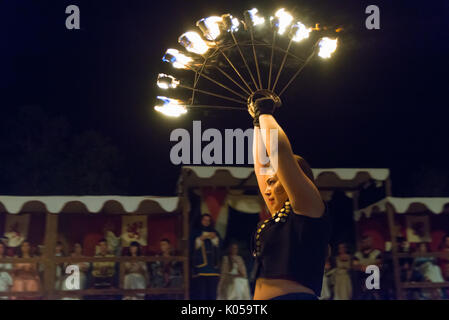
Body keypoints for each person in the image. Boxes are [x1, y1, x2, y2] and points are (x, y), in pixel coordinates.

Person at [248, 92, 331, 300]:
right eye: (269, 182)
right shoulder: (277, 218)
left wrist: (265, 114)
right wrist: (257, 123)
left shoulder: (308, 208)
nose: (267, 189)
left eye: (275, 181)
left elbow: (280, 154)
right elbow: (260, 167)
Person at [191, 214, 221, 300]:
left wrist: (215, 238)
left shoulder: (215, 232)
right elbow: (192, 247)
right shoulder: (195, 232)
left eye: (208, 220)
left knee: (212, 293)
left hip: (213, 268)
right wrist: (201, 238)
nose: (206, 222)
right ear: (201, 221)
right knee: (201, 293)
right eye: (204, 220)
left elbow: (219, 246)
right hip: (201, 267)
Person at [352, 235, 382, 300]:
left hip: (374, 279)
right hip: (361, 280)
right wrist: (371, 266)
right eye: (364, 242)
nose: (366, 243)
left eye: (368, 241)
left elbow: (378, 266)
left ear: (371, 242)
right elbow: (356, 267)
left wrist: (364, 267)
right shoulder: (357, 255)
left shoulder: (377, 253)